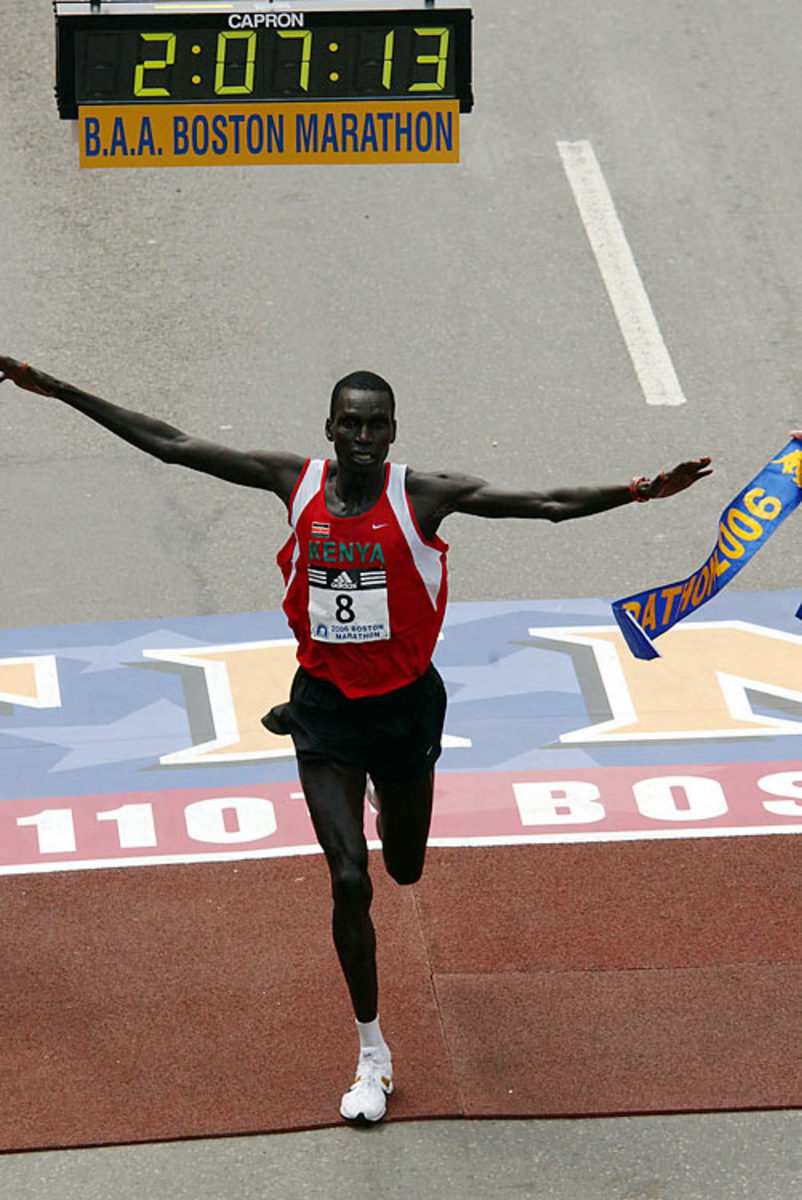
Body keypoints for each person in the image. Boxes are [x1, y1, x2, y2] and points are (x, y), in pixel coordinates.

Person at [0, 355, 712, 1123]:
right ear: (330, 429)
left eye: (377, 424)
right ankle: (372, 1053)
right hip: (328, 712)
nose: (364, 435)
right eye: (351, 423)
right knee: (350, 880)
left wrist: (642, 491)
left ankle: (381, 782)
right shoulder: (294, 482)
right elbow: (172, 444)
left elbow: (543, 502)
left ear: (393, 431)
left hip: (406, 711)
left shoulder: (423, 497)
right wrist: (60, 389)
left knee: (404, 870)